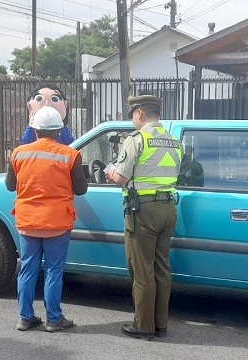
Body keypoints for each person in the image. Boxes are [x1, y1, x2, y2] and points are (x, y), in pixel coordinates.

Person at [105, 95, 183, 340]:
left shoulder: (137, 139)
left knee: (141, 270)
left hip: (144, 212)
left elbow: (121, 178)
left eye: (132, 116)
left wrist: (110, 173)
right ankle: (160, 324)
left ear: (139, 113)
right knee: (162, 267)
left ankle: (143, 325)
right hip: (168, 209)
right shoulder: (174, 140)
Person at [6, 105, 88, 332]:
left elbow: (10, 185)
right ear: (59, 131)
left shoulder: (18, 153)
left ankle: (25, 317)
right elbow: (81, 189)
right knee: (53, 270)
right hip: (57, 223)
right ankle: (53, 319)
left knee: (28, 269)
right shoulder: (70, 155)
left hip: (27, 221)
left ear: (34, 130)